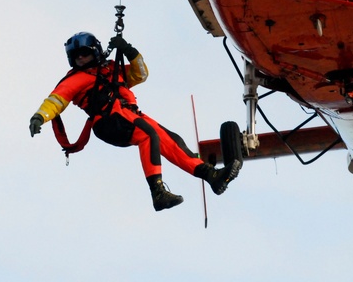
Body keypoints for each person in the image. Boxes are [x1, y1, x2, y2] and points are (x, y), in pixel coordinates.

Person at [29, 31, 241, 211]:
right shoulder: (75, 79)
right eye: (76, 57)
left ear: (94, 52)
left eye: (84, 54)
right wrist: (40, 117)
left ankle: (211, 175)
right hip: (109, 121)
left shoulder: (112, 69)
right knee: (148, 135)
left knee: (171, 140)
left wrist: (129, 50)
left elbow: (140, 74)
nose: (81, 59)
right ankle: (158, 192)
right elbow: (56, 100)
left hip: (130, 114)